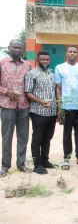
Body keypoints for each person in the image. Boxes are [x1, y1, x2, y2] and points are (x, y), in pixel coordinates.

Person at [55, 46, 78, 169]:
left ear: (77, 54)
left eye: (74, 52)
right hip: (66, 106)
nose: (72, 53)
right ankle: (66, 158)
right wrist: (59, 108)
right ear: (67, 53)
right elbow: (58, 88)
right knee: (67, 132)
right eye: (70, 51)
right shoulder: (60, 68)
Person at [0, 39, 32, 177]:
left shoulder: (27, 65)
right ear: (9, 48)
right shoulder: (2, 64)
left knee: (23, 137)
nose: (17, 50)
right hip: (7, 105)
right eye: (15, 47)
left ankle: (21, 164)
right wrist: (6, 92)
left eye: (19, 48)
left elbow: (30, 84)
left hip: (24, 105)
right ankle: (5, 165)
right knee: (7, 137)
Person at [25, 50, 57, 174]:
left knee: (47, 138)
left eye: (47, 60)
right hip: (38, 112)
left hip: (51, 112)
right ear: (38, 60)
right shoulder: (32, 74)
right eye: (42, 59)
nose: (45, 61)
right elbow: (28, 92)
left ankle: (45, 160)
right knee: (37, 139)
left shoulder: (50, 74)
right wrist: (39, 101)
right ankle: (37, 164)